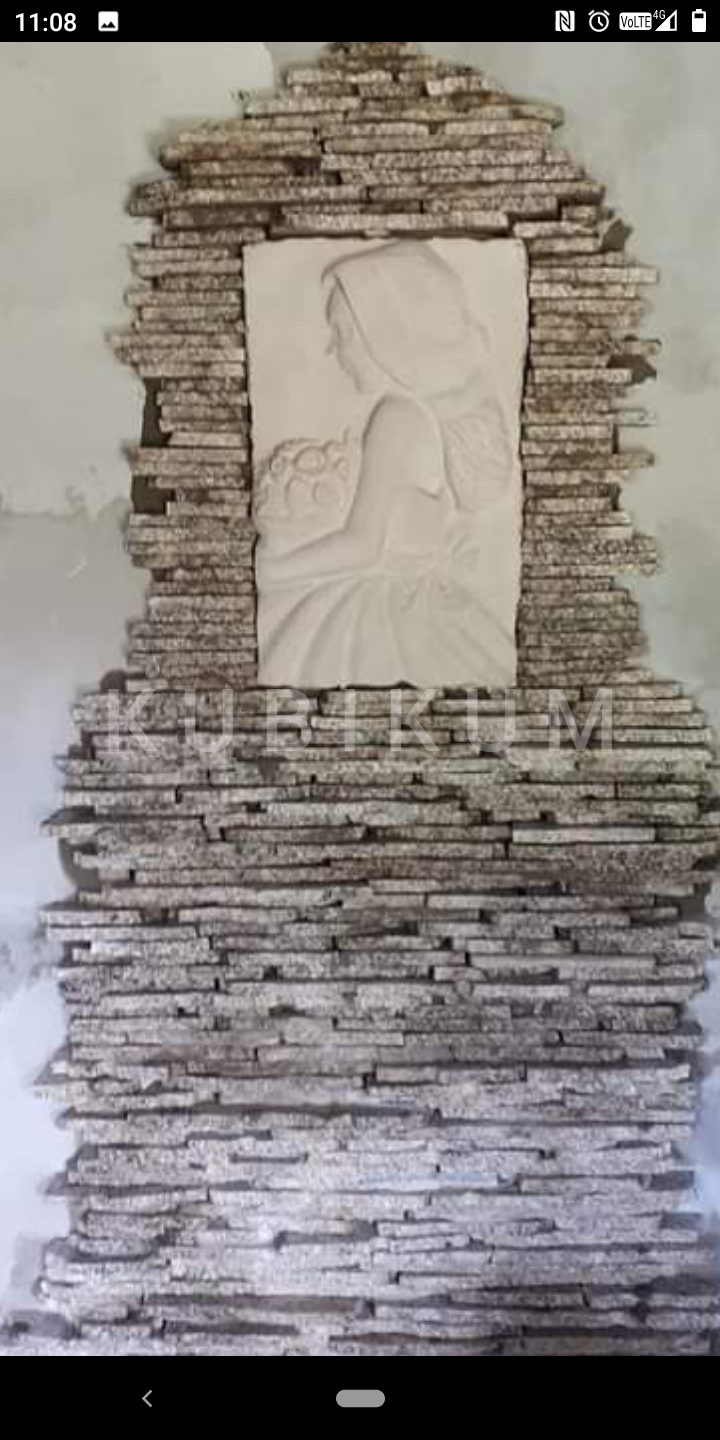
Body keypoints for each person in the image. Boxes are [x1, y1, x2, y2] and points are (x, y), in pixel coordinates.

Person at [256, 240, 518, 689]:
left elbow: (363, 545)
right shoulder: (411, 414)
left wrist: (275, 569)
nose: (333, 349)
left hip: (389, 607)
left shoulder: (398, 418)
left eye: (341, 332)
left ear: (383, 334)